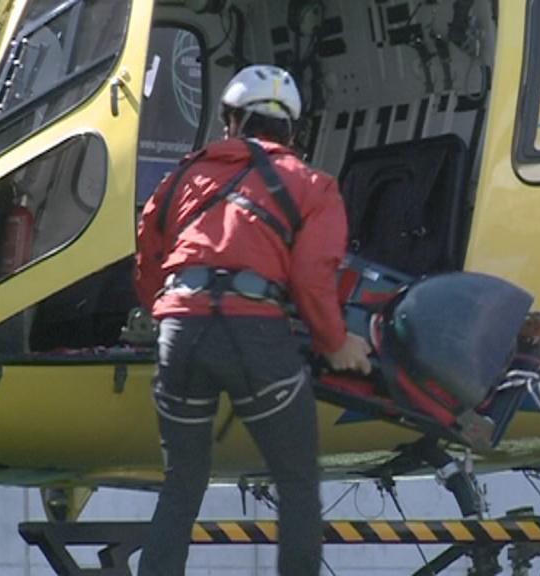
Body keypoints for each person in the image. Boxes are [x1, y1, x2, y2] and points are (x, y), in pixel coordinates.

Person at [134, 64, 373, 576]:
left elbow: (148, 261)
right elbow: (311, 278)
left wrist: (170, 314)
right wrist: (336, 342)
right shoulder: (313, 186)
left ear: (230, 122)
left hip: (180, 331)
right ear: (294, 130)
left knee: (181, 485)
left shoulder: (181, 177)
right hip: (254, 337)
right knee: (296, 485)